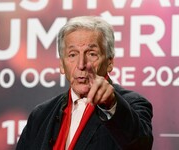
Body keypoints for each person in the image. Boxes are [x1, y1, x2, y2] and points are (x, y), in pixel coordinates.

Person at [16, 16, 153, 150]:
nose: (81, 64)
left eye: (92, 54)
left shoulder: (132, 104)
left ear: (110, 62)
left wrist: (111, 105)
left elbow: (141, 145)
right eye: (72, 54)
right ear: (62, 65)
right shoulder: (41, 115)